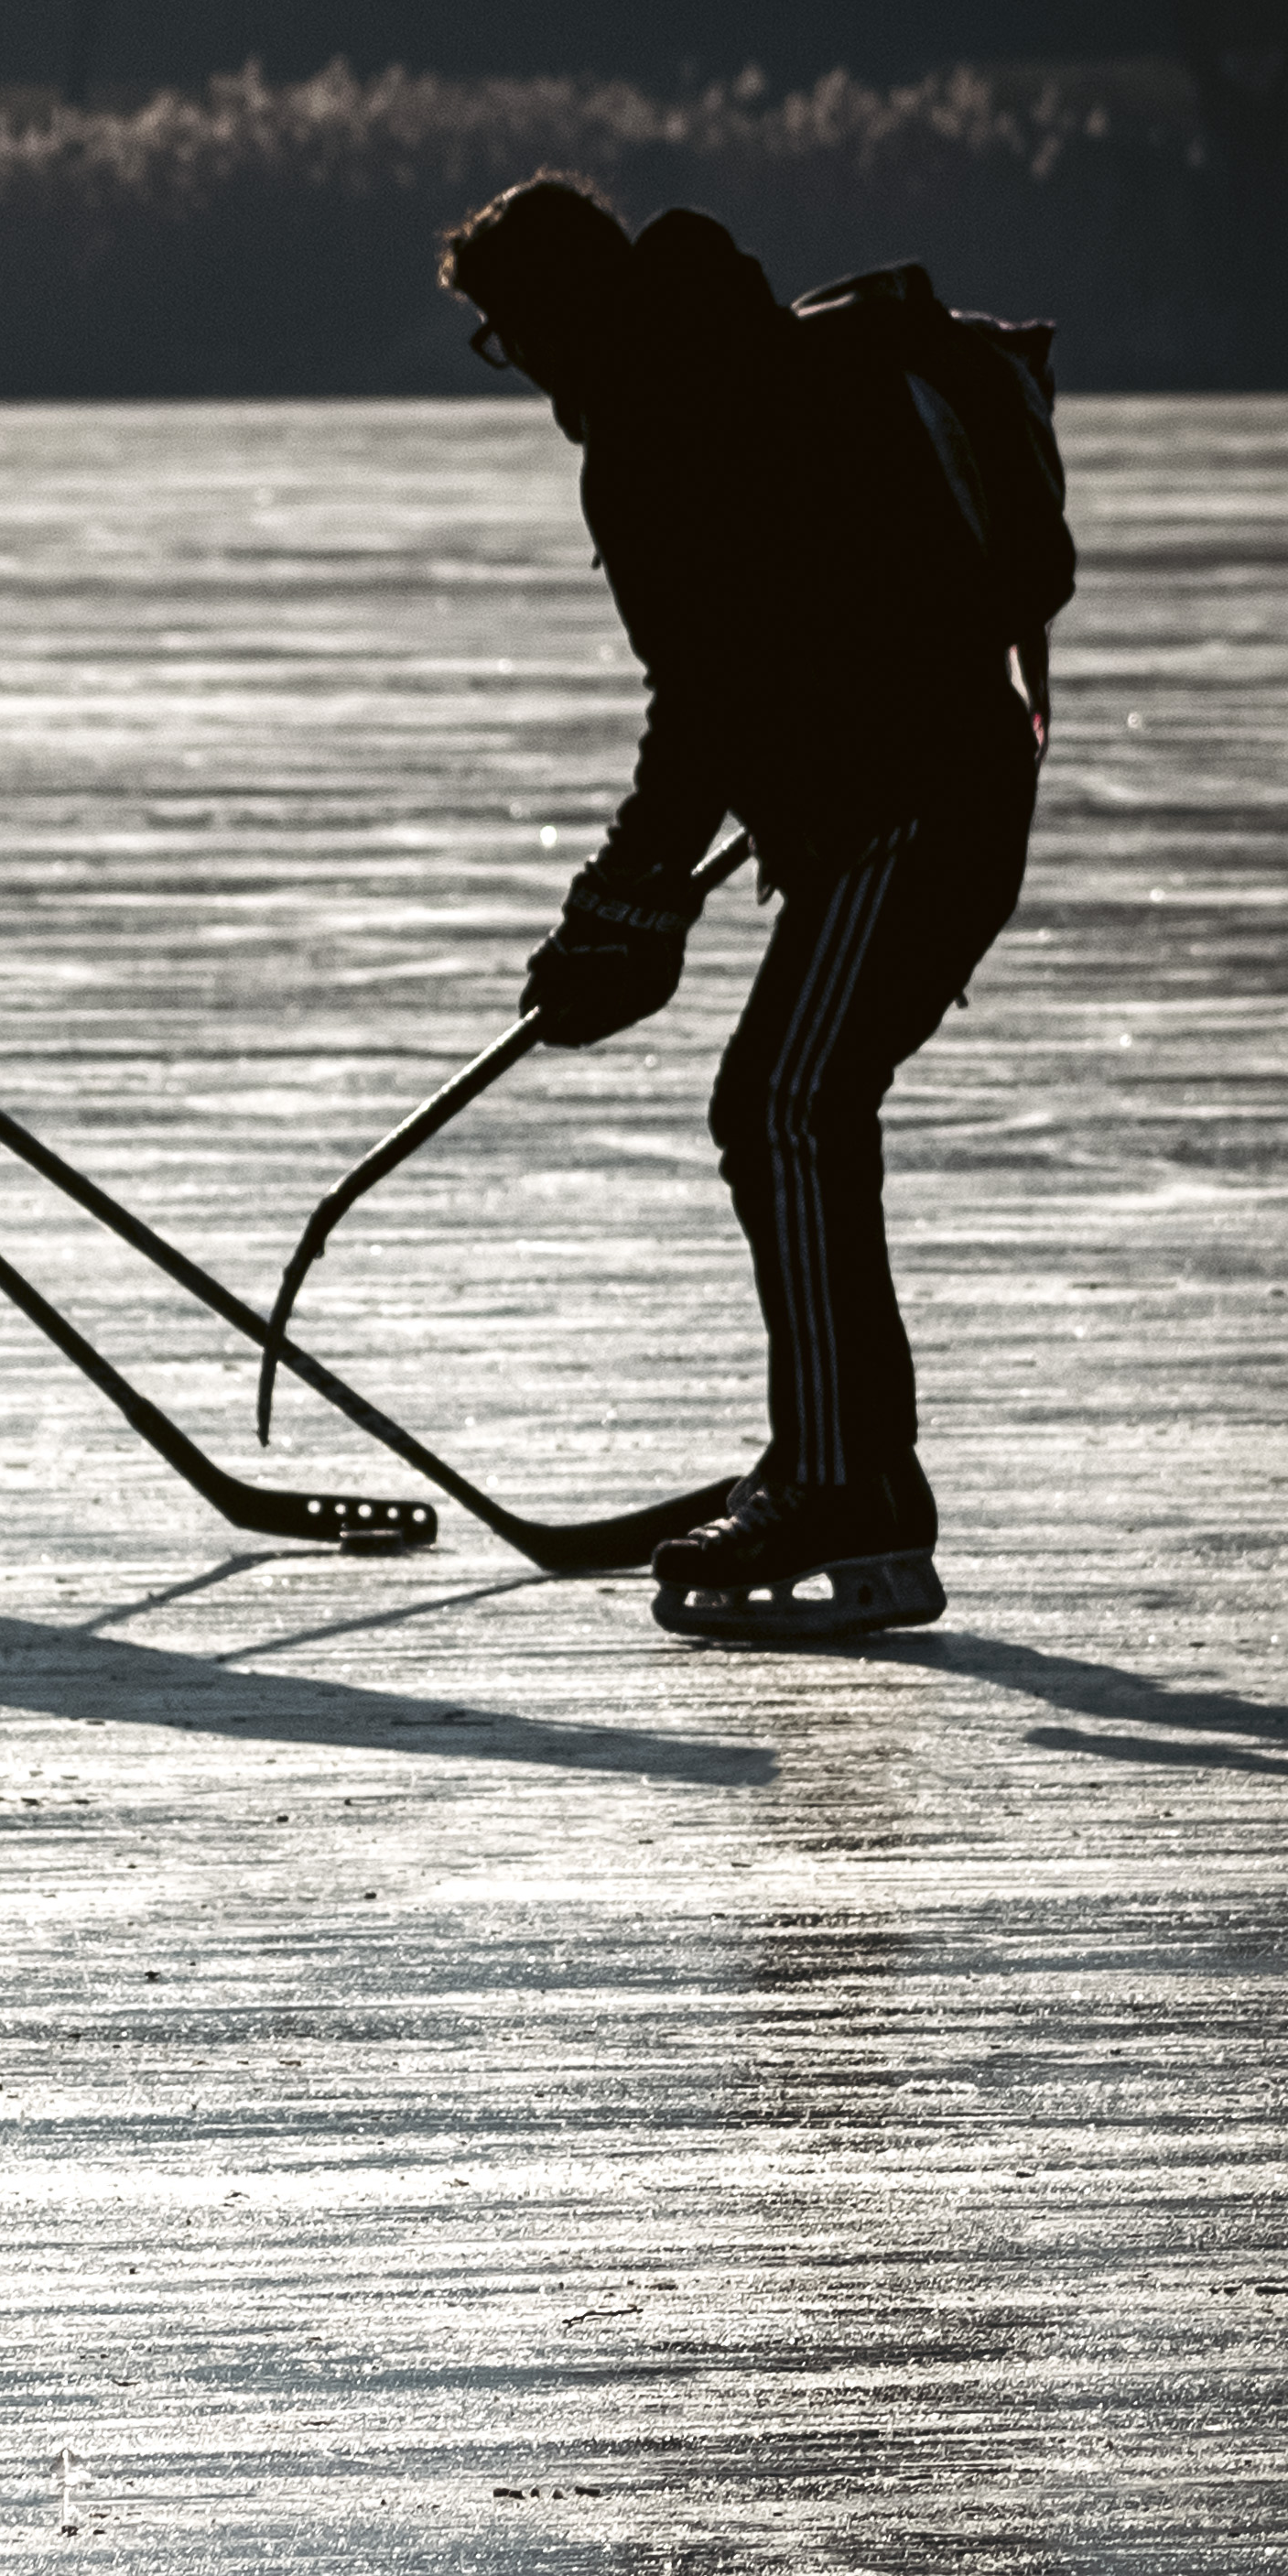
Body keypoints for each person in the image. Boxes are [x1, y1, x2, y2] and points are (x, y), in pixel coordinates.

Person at [438, 173, 1045, 1641]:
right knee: (787, 1104)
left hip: (912, 811)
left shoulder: (666, 421)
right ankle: (836, 1465)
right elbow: (750, 678)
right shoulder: (738, 359)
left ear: (558, 315)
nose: (520, 373)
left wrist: (627, 898)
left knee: (785, 1105)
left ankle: (852, 1490)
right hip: (899, 803)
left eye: (508, 336)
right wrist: (639, 903)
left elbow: (702, 701)